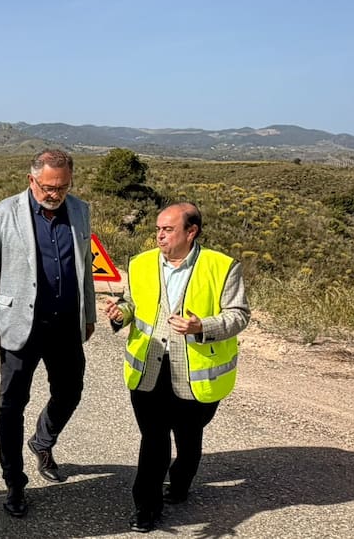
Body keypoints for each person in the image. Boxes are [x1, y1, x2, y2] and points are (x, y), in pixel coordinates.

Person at [106, 202, 251, 533]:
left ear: (191, 232)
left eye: (167, 229)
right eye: (157, 228)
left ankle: (182, 483)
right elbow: (132, 304)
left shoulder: (222, 266)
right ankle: (146, 507)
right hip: (148, 367)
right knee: (153, 439)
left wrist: (203, 326)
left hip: (195, 372)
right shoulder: (140, 263)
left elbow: (239, 314)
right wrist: (120, 314)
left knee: (188, 436)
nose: (159, 235)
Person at [0, 149, 96, 517]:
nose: (54, 194)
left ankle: (42, 441)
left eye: (61, 187)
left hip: (65, 325)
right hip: (18, 325)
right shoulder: (2, 212)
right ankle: (14, 483)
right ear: (31, 180)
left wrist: (87, 314)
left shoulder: (80, 210)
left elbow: (85, 268)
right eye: (47, 186)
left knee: (70, 391)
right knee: (11, 405)